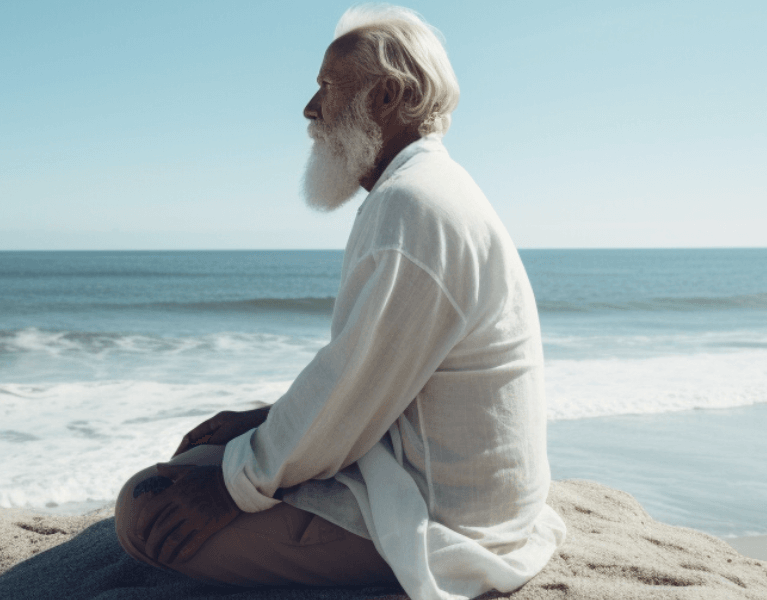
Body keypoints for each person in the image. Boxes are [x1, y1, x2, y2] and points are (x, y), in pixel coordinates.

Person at [113, 5, 566, 599]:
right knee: (225, 444)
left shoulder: (414, 206)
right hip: (434, 481)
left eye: (327, 87)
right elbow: (368, 376)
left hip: (443, 521)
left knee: (142, 512)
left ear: (387, 97)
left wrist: (231, 488)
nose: (309, 108)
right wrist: (260, 424)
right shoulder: (425, 187)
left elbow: (353, 388)